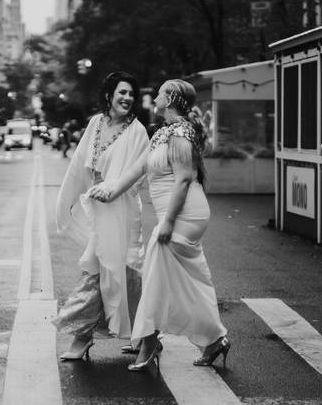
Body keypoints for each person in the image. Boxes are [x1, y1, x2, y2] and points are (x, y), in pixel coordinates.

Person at [88, 78, 230, 371]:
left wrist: (167, 221)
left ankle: (150, 342)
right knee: (187, 283)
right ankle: (214, 339)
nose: (154, 97)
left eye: (161, 92)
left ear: (172, 99)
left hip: (184, 216)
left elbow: (183, 180)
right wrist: (109, 190)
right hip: (176, 215)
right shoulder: (163, 133)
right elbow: (138, 169)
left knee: (153, 277)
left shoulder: (179, 132)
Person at [53, 72, 150, 361]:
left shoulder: (138, 132)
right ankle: (89, 337)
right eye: (122, 92)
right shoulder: (95, 123)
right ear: (109, 95)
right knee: (98, 268)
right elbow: (79, 166)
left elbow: (137, 177)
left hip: (123, 212)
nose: (127, 98)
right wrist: (67, 199)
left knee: (126, 270)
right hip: (98, 211)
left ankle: (140, 336)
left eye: (131, 94)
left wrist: (112, 190)